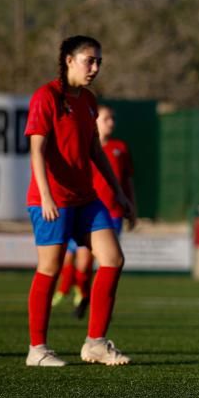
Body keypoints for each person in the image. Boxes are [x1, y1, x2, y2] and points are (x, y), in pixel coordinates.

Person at [24, 35, 134, 367]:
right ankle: (37, 350)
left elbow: (94, 151)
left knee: (113, 258)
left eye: (99, 61)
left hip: (87, 198)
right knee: (51, 268)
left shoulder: (88, 100)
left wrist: (117, 191)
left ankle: (95, 344)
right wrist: (45, 195)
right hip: (52, 200)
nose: (96, 67)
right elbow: (37, 150)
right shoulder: (47, 97)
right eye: (90, 60)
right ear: (69, 60)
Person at [53, 104, 137, 319]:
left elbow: (127, 180)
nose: (111, 123)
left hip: (114, 212)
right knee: (80, 260)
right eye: (106, 118)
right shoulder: (84, 147)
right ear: (95, 122)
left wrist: (131, 206)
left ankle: (88, 304)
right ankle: (78, 293)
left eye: (113, 118)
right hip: (87, 209)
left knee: (109, 260)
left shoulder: (120, 148)